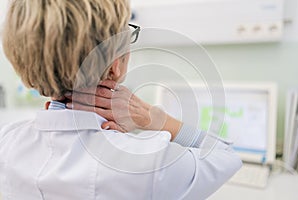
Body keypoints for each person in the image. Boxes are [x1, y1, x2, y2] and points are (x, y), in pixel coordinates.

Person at [0, 0, 242, 199]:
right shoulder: (150, 164)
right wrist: (156, 119)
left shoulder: (7, 143)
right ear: (116, 66)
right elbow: (226, 156)